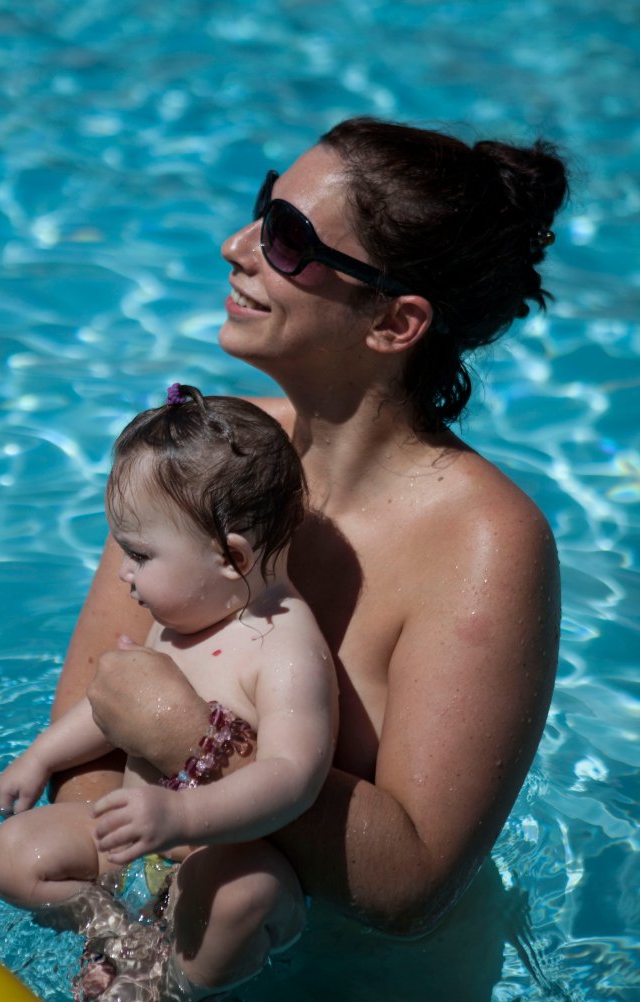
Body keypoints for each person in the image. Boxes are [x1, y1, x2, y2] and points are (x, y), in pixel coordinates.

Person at [50, 117, 567, 996]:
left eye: (287, 240)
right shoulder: (202, 460)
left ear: (396, 321)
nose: (236, 246)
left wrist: (185, 735)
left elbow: (409, 884)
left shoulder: (484, 544)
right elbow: (84, 747)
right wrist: (124, 943)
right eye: (264, 210)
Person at [0, 385, 338, 1000]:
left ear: (231, 557)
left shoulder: (286, 650)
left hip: (218, 856)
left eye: (139, 554)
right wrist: (42, 754)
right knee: (17, 853)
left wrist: (182, 814)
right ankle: (115, 937)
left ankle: (169, 985)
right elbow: (115, 714)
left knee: (244, 895)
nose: (124, 573)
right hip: (133, 849)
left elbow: (291, 776)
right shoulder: (186, 616)